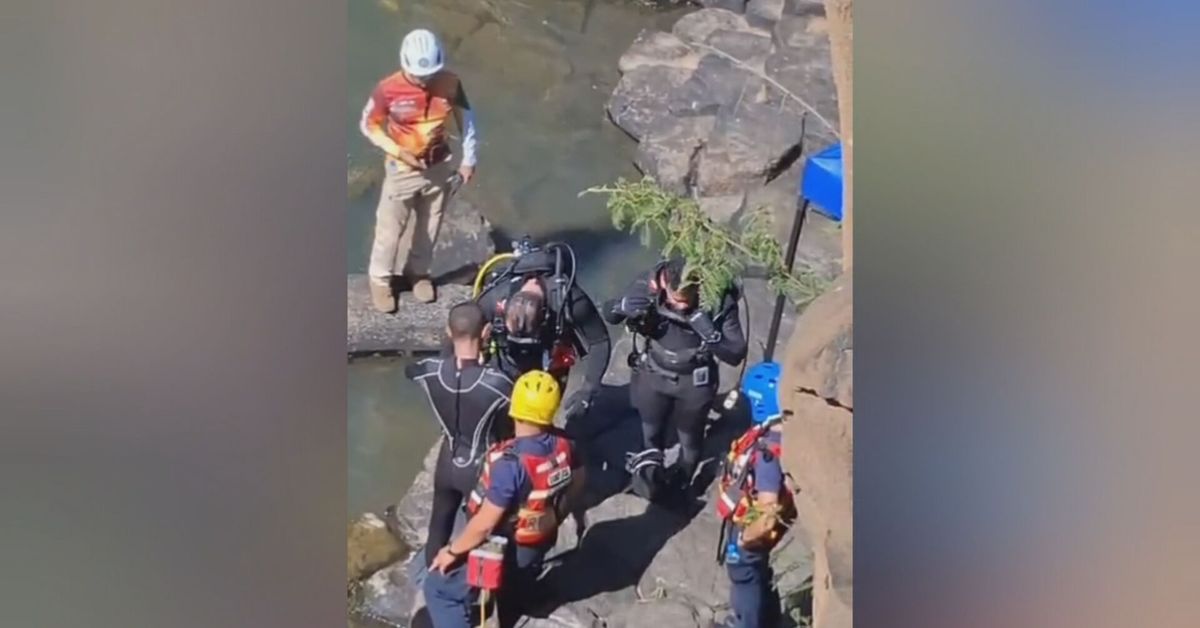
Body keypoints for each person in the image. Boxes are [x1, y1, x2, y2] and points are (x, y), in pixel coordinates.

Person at [423, 371, 586, 628]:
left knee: (438, 589)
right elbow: (579, 479)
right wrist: (556, 515)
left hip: (504, 549)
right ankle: (514, 604)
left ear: (515, 407)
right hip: (538, 542)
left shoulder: (510, 465)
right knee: (513, 590)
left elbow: (485, 524)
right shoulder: (565, 444)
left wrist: (451, 552)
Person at [602, 258, 747, 502]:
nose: (679, 307)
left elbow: (736, 353)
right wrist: (620, 307)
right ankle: (650, 478)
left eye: (686, 301)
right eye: (674, 299)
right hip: (653, 373)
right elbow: (609, 315)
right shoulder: (649, 284)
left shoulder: (717, 300)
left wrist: (711, 334)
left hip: (694, 383)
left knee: (689, 438)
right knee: (650, 431)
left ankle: (682, 482)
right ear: (665, 283)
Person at [360, 28, 479, 310]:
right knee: (390, 229)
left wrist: (469, 159)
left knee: (430, 224)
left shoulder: (450, 84)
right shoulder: (387, 89)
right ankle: (380, 280)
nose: (424, 81)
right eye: (418, 76)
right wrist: (397, 150)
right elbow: (369, 125)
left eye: (429, 75)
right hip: (402, 169)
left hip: (438, 166)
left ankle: (419, 272)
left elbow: (468, 121)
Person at [402, 301, 513, 566]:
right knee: (481, 534)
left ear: (448, 332)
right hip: (479, 467)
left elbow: (410, 371)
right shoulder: (498, 383)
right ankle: (475, 583)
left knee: (439, 525)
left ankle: (433, 573)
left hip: (447, 461)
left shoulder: (430, 371)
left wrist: (449, 354)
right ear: (486, 332)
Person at [474, 238, 610, 424]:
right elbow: (462, 326)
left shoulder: (570, 301)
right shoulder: (494, 298)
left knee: (544, 412)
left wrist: (588, 390)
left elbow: (599, 342)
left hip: (551, 350)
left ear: (545, 314)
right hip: (508, 355)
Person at [715, 362, 795, 628]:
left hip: (751, 527)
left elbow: (768, 511)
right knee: (759, 572)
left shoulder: (768, 454)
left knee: (744, 575)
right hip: (758, 523)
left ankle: (745, 623)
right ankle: (769, 621)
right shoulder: (786, 437)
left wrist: (747, 540)